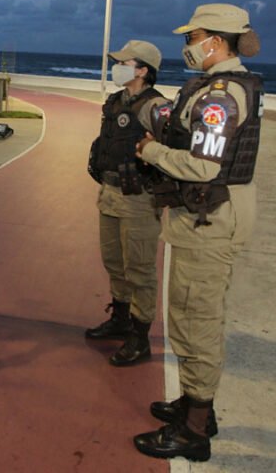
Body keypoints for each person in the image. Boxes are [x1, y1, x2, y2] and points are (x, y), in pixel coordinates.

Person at [132, 4, 264, 462]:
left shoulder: (220, 96)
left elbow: (204, 166)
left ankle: (194, 430)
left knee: (196, 322)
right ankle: (193, 405)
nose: (188, 46)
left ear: (217, 41)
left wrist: (150, 152)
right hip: (206, 219)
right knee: (190, 315)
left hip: (210, 223)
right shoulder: (217, 88)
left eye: (195, 36)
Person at [85, 40, 170, 368]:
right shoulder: (115, 101)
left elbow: (170, 153)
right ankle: (120, 318)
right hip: (109, 192)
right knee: (114, 261)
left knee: (140, 269)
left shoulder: (158, 107)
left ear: (143, 70)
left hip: (138, 199)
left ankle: (139, 336)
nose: (116, 67)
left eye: (124, 62)